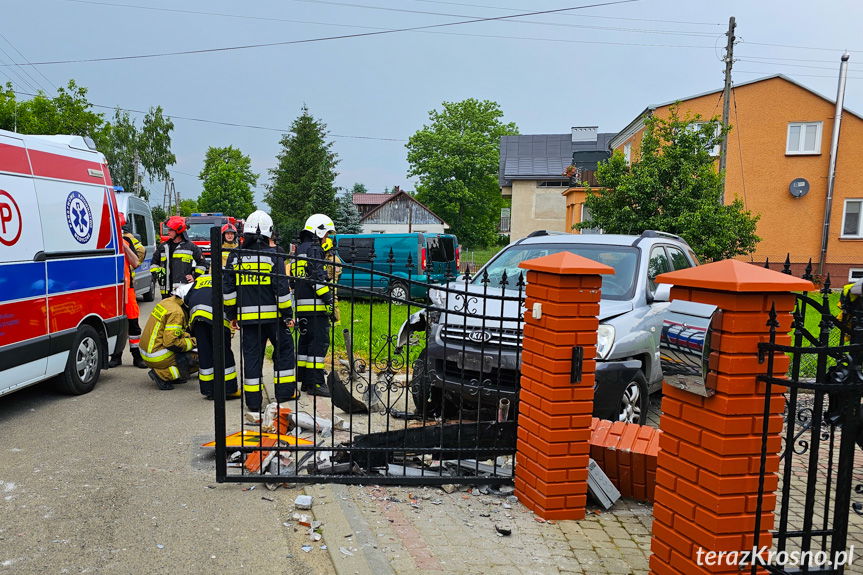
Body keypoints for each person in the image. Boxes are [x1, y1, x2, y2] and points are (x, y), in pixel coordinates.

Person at [223, 210, 296, 413]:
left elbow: (228, 289)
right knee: (284, 351)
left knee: (252, 358)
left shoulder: (234, 257)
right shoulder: (274, 256)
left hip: (248, 320)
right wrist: (288, 314)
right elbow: (281, 289)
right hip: (274, 319)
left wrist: (232, 315)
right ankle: (283, 394)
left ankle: (253, 403)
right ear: (268, 232)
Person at [292, 214, 337, 397]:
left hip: (302, 306)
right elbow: (316, 278)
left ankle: (304, 381)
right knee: (318, 344)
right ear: (318, 231)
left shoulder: (299, 250)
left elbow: (297, 279)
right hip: (315, 307)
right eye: (326, 234)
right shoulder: (314, 249)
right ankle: (317, 383)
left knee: (305, 344)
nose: (326, 238)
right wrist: (329, 299)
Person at [184, 274, 240, 400]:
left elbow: (187, 299)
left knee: (205, 352)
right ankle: (229, 389)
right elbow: (232, 300)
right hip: (217, 317)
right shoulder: (228, 279)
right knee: (224, 352)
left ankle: (208, 389)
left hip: (197, 317)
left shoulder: (201, 278)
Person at [139, 283, 198, 390]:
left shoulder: (167, 302)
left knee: (185, 345)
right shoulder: (177, 313)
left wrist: (186, 335)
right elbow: (171, 342)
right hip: (157, 356)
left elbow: (166, 330)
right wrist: (194, 342)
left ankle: (171, 374)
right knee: (197, 357)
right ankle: (163, 374)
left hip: (147, 351)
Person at [109, 212, 148, 368]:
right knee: (116, 323)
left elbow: (136, 261)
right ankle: (116, 355)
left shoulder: (126, 240)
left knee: (132, 321)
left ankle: (137, 356)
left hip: (127, 287)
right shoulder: (106, 241)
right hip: (112, 289)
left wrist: (124, 246)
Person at [150, 216, 206, 298]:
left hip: (182, 290)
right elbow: (154, 263)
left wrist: (194, 276)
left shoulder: (191, 247)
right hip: (165, 290)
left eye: (170, 230)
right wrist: (158, 274)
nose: (168, 232)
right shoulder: (163, 247)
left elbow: (202, 264)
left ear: (178, 231)